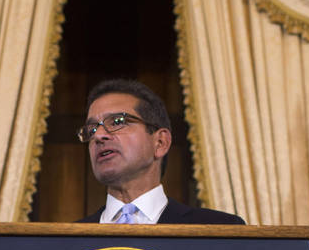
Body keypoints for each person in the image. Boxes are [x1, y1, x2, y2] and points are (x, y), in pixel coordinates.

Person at [77, 78, 245, 224]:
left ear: (160, 142)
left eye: (117, 122)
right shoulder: (66, 241)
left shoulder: (218, 231)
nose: (98, 136)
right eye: (91, 129)